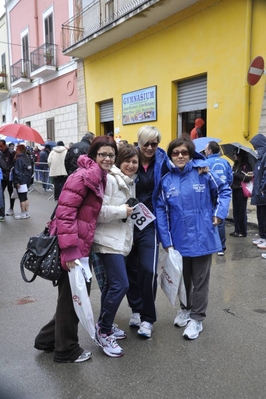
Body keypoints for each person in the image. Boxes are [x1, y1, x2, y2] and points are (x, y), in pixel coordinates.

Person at [34, 135, 115, 363]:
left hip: (81, 246)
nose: (107, 158)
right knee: (74, 299)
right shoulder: (83, 177)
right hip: (73, 249)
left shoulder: (98, 176)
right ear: (93, 156)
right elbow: (65, 214)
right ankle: (66, 350)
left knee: (70, 298)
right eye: (103, 154)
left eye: (111, 155)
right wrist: (70, 251)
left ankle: (47, 340)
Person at [157, 137, 231, 339]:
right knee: (183, 279)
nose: (180, 156)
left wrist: (219, 213)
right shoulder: (165, 181)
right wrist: (166, 241)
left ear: (190, 154)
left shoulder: (204, 172)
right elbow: (161, 212)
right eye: (175, 152)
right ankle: (186, 309)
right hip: (179, 239)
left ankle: (197, 319)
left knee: (200, 281)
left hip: (203, 236)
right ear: (170, 155)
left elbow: (224, 191)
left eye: (184, 152)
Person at [93, 144, 139, 357]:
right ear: (119, 161)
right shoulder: (110, 179)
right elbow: (97, 211)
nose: (131, 165)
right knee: (121, 284)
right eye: (127, 160)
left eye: (135, 161)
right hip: (107, 241)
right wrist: (123, 210)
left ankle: (106, 326)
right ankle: (103, 330)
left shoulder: (129, 181)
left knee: (113, 285)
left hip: (118, 240)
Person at [126, 126, 170, 338]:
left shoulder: (162, 160)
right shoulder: (129, 157)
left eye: (155, 143)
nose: (151, 147)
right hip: (125, 222)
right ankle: (136, 308)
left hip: (150, 224)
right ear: (139, 142)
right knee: (129, 270)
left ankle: (147, 318)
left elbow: (185, 160)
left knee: (148, 270)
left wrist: (200, 166)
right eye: (147, 143)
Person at [204, 141, 232, 254]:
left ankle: (210, 245)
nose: (205, 151)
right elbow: (230, 178)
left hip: (210, 194)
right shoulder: (225, 162)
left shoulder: (205, 162)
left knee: (208, 218)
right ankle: (221, 247)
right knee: (220, 218)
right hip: (221, 194)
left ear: (210, 150)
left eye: (206, 149)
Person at [230, 148, 253, 238]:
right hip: (234, 189)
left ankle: (242, 231)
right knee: (235, 211)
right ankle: (237, 229)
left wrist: (236, 174)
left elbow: (248, 178)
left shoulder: (246, 166)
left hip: (241, 190)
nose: (234, 155)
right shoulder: (235, 165)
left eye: (235, 154)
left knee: (241, 211)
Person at [250, 134, 266, 251]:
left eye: (255, 146)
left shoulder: (265, 156)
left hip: (263, 192)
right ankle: (262, 236)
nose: (254, 149)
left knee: (264, 216)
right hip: (259, 193)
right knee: (260, 215)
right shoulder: (260, 158)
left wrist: (262, 187)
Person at [13, 144, 33, 220]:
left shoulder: (19, 159)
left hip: (21, 181)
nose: (15, 151)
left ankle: (23, 213)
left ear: (19, 150)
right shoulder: (27, 158)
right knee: (25, 197)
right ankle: (26, 212)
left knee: (22, 198)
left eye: (17, 149)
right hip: (27, 180)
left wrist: (17, 182)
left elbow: (17, 171)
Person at [0, 139, 16, 217]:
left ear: (5, 145)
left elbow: (15, 163)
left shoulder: (11, 152)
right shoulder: (0, 153)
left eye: (1, 146)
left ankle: (11, 208)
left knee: (11, 193)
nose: (0, 148)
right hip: (2, 177)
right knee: (1, 193)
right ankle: (1, 210)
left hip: (10, 177)